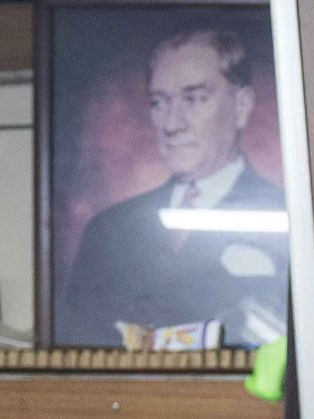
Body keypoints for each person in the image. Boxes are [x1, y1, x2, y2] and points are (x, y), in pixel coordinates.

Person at [53, 25, 289, 349]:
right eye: (159, 102)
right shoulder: (108, 230)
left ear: (242, 106)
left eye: (194, 98)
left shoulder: (290, 220)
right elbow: (75, 353)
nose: (172, 124)